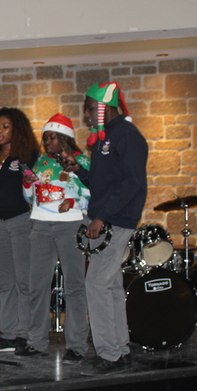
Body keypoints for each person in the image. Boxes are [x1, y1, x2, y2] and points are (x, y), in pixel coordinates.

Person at [60, 82, 147, 375]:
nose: (85, 114)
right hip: (103, 217)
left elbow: (133, 183)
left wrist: (103, 217)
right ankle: (119, 350)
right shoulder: (103, 138)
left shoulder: (128, 136)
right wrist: (79, 170)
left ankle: (109, 355)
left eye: (88, 108)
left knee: (95, 283)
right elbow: (101, 183)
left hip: (117, 220)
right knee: (109, 285)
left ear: (103, 107)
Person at [20, 114, 90, 361]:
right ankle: (37, 342)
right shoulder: (40, 162)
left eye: (52, 137)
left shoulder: (80, 161)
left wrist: (71, 202)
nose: (47, 141)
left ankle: (77, 345)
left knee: (74, 286)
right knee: (37, 286)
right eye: (45, 137)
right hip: (40, 224)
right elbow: (30, 198)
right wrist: (28, 184)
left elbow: (90, 192)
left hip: (70, 225)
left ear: (64, 138)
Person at [0, 107, 40, 353]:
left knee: (24, 281)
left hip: (22, 221)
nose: (0, 131)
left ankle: (24, 334)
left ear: (17, 128)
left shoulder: (29, 156)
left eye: (5, 126)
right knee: (4, 282)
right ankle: (7, 334)